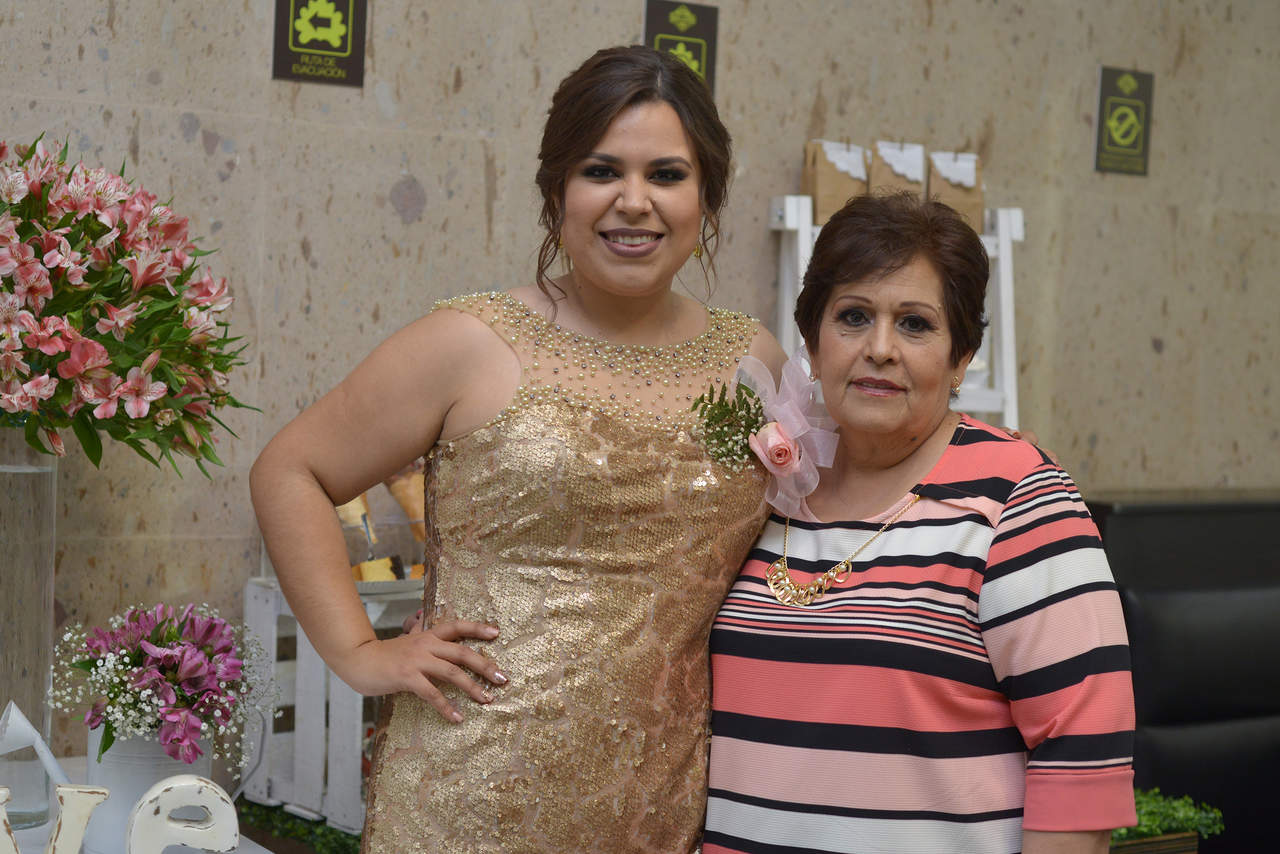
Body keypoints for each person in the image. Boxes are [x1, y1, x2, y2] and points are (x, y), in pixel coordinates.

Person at [249, 45, 783, 853]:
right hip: (469, 797)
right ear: (556, 189)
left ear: (706, 196)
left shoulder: (751, 361)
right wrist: (360, 653)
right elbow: (290, 470)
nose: (634, 202)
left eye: (667, 175)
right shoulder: (469, 342)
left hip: (662, 804)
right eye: (602, 171)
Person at [704, 193, 1136, 854]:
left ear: (961, 357)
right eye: (853, 316)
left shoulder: (1018, 497)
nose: (880, 349)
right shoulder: (769, 486)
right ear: (812, 342)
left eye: (914, 324)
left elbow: (1082, 750)